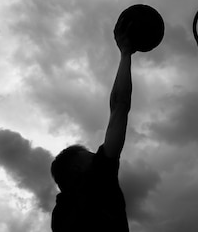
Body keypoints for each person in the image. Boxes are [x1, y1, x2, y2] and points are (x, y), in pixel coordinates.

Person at [50, 14, 135, 231]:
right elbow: (119, 106)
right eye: (90, 155)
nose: (96, 155)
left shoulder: (60, 216)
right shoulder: (97, 180)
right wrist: (125, 53)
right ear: (79, 168)